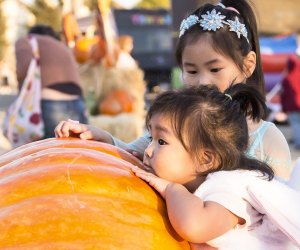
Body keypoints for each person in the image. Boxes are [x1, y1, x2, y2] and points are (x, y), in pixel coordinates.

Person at [55, 1, 291, 179]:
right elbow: (133, 153)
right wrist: (101, 138)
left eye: (215, 69)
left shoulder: (267, 140)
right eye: (191, 71)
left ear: (248, 65)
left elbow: (280, 218)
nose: (202, 82)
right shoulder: (172, 124)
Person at [131, 84, 299, 249]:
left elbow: (194, 226)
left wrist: (171, 189)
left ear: (205, 160)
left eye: (161, 141)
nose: (148, 150)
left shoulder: (229, 187)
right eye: (150, 139)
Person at [15, 24, 88, 138]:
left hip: (51, 101)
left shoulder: (26, 40)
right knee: (75, 151)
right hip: (78, 103)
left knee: (50, 153)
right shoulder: (62, 46)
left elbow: (23, 70)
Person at [280, 49, 300, 150]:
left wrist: (284, 108)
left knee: (296, 124)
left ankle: (298, 143)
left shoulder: (286, 79)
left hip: (292, 106)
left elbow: (283, 95)